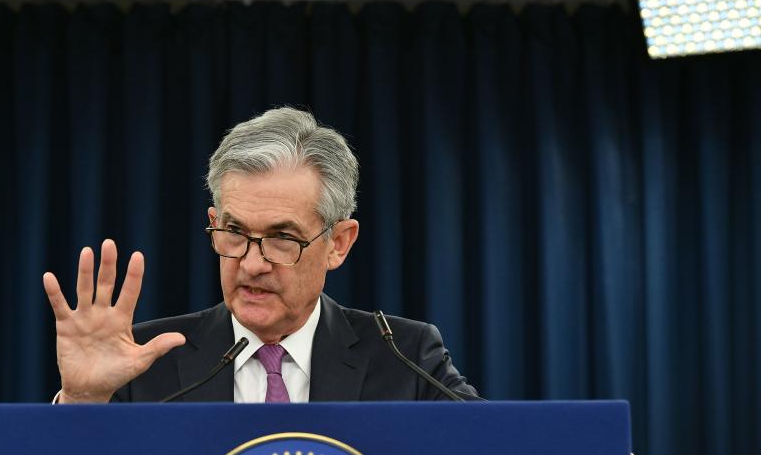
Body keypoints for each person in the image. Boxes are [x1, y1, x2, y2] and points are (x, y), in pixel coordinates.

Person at [42, 107, 478, 403]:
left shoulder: (405, 357)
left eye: (282, 237)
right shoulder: (142, 363)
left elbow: (499, 444)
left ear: (339, 243)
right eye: (233, 232)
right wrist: (82, 404)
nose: (251, 264)